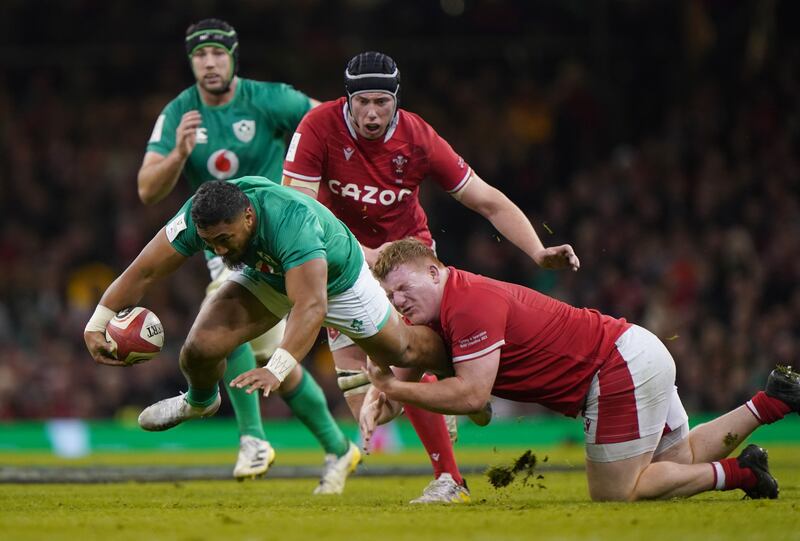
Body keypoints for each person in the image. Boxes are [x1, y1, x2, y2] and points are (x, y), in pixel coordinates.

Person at [280, 50, 580, 503]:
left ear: (396, 99)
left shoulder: (418, 137)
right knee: (370, 406)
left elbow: (486, 200)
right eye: (363, 102)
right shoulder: (318, 127)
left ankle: (450, 476)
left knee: (404, 358)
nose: (372, 113)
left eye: (382, 102)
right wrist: (361, 253)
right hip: (344, 260)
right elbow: (297, 211)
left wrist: (537, 250)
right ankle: (448, 382)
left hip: (407, 263)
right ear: (347, 99)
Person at [83, 178, 450, 494]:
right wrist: (97, 323)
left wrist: (276, 368)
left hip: (339, 282)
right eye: (210, 243)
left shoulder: (291, 220)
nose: (219, 250)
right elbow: (145, 270)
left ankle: (459, 367)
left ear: (248, 217)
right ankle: (199, 401)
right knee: (199, 348)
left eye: (224, 239)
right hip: (268, 275)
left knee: (404, 351)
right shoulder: (197, 218)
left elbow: (311, 305)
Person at [361, 238, 800, 501]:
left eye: (403, 287)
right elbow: (413, 375)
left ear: (434, 272)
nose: (397, 301)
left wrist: (394, 391)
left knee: (616, 491)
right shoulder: (446, 306)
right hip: (631, 350)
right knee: (678, 459)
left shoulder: (467, 304)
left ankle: (743, 474)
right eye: (390, 294)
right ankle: (771, 402)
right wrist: (382, 397)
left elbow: (473, 396)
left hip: (616, 367)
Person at [136, 18, 353, 491]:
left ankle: (252, 437)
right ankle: (339, 447)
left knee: (223, 322)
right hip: (223, 246)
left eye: (218, 53)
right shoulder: (180, 113)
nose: (210, 63)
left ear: (233, 57)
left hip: (277, 241)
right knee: (267, 357)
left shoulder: (270, 99)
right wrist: (178, 155)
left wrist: (317, 190)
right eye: (200, 55)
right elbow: (148, 189)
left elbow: (332, 128)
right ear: (190, 61)